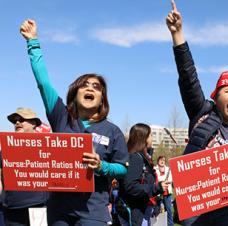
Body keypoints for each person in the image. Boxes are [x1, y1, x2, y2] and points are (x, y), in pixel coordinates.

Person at [166, 1, 228, 226]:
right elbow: (188, 76)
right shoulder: (201, 112)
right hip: (196, 211)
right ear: (216, 96)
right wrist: (178, 35)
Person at [20, 20, 129, 226]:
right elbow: (43, 83)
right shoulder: (60, 115)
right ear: (75, 92)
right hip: (59, 212)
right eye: (84, 85)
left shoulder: (112, 131)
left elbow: (122, 169)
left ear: (102, 99)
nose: (90, 88)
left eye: (96, 87)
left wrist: (102, 166)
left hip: (93, 212)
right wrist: (33, 43)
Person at [1, 108, 49, 226]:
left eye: (22, 120)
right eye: (15, 121)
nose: (17, 123)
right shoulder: (5, 149)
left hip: (39, 207)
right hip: (11, 209)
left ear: (34, 123)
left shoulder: (47, 147)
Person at [119, 123, 168, 226]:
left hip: (144, 210)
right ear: (143, 138)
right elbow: (131, 186)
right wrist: (156, 188)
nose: (152, 138)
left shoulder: (144, 157)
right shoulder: (136, 158)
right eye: (150, 135)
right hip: (136, 213)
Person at [154, 156, 174, 226]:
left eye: (164, 160)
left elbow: (170, 180)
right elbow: (155, 180)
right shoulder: (154, 169)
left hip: (167, 193)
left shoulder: (168, 169)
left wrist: (160, 181)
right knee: (157, 210)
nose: (162, 161)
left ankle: (170, 224)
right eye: (161, 160)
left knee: (169, 210)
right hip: (158, 193)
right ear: (158, 161)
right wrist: (162, 180)